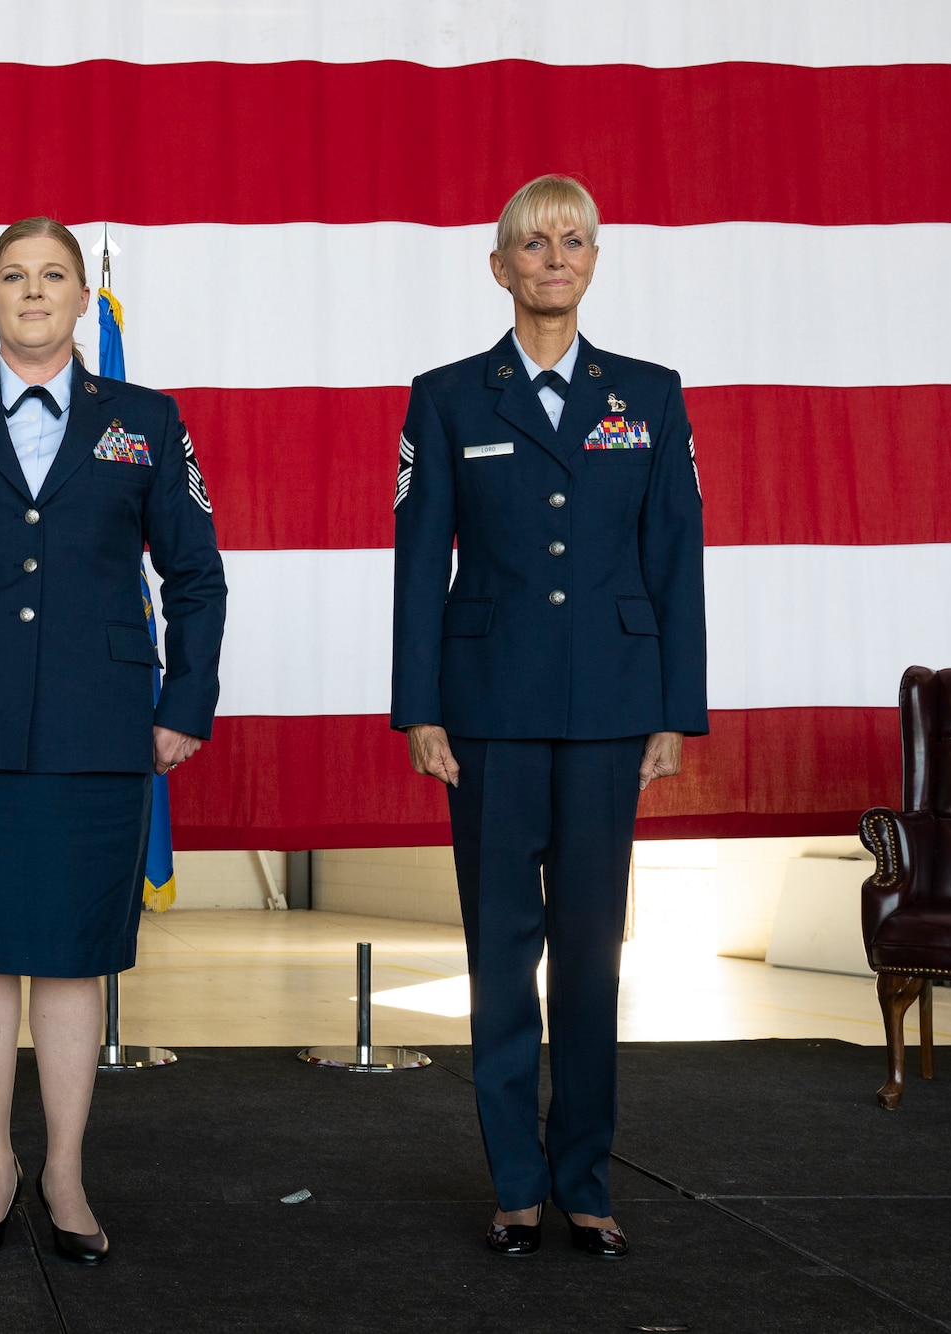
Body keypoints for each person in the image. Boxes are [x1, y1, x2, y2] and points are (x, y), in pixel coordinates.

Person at [0, 217, 226, 1264]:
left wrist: (183, 705)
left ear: (77, 300)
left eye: (51, 274)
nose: (32, 290)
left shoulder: (144, 419)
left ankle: (62, 1167)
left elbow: (194, 573)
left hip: (93, 727)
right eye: (12, 276)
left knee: (69, 958)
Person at [390, 175, 708, 1259]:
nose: (553, 257)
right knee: (496, 952)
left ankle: (583, 1175)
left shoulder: (650, 395)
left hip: (613, 706)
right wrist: (418, 705)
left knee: (588, 954)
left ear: (592, 259)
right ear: (499, 266)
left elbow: (674, 558)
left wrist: (676, 708)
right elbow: (415, 560)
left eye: (572, 240)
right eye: (532, 243)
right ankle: (514, 1181)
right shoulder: (444, 396)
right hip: (485, 711)